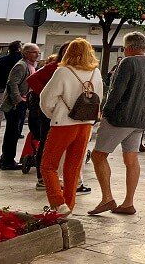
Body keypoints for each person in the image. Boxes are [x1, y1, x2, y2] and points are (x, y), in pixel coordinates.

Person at [88, 32, 145, 216]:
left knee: (98, 156)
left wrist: (104, 111)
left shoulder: (128, 62)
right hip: (140, 120)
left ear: (128, 48)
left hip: (120, 119)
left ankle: (107, 198)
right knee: (131, 159)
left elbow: (116, 91)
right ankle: (128, 202)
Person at [38, 38, 104, 215]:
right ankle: (69, 204)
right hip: (86, 124)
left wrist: (54, 114)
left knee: (48, 165)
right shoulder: (95, 73)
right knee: (73, 166)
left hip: (63, 124)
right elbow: (100, 97)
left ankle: (59, 204)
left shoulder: (63, 72)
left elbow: (46, 99)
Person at [25, 43, 72, 189]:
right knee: (46, 141)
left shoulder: (67, 68)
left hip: (61, 111)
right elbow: (32, 79)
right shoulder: (55, 66)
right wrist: (47, 95)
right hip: (49, 111)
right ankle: (41, 177)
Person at [0, 42, 40, 170]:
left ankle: (8, 159)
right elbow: (12, 83)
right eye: (34, 52)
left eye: (38, 52)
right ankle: (7, 161)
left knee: (15, 132)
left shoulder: (30, 65)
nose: (37, 55)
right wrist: (18, 101)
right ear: (26, 53)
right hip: (15, 105)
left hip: (22, 102)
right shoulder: (21, 66)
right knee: (12, 132)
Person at [0, 41, 22, 140]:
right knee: (18, 111)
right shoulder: (22, 61)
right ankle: (16, 132)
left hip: (2, 88)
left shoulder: (2, 60)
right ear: (19, 49)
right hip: (19, 90)